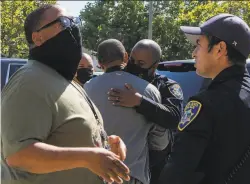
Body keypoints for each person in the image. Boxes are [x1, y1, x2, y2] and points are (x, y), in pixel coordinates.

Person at [1, 4, 130, 184]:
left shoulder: (64, 80)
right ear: (37, 38)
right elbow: (19, 155)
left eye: (74, 22)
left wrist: (105, 145)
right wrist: (89, 157)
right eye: (63, 23)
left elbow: (64, 137)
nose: (73, 29)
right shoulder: (29, 81)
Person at [159, 13, 250, 184]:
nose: (194, 53)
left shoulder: (205, 103)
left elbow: (178, 170)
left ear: (220, 49)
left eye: (199, 44)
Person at [85, 39, 169, 184]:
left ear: (99, 62)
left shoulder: (86, 89)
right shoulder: (148, 90)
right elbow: (160, 140)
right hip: (132, 174)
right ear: (125, 57)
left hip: (97, 173)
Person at [107, 39, 184, 183]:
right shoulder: (120, 79)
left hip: (154, 164)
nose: (134, 66)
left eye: (141, 63)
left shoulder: (166, 86)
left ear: (154, 66)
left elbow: (174, 118)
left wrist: (139, 101)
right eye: (132, 60)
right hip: (124, 161)